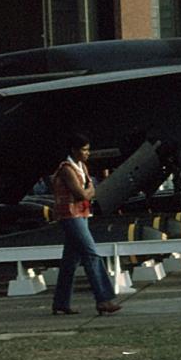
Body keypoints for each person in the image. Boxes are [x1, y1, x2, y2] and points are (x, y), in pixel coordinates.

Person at [50, 133, 121, 316]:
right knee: (91, 254)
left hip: (81, 214)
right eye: (84, 150)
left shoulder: (81, 167)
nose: (88, 153)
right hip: (70, 216)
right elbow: (82, 194)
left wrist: (88, 192)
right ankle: (103, 299)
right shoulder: (67, 169)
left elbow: (87, 192)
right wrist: (90, 191)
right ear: (74, 150)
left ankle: (61, 302)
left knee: (70, 261)